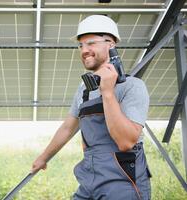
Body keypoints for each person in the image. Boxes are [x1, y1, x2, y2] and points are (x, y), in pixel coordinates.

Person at [31, 15, 151, 200]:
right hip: (90, 180)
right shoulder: (84, 90)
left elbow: (126, 142)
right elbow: (68, 128)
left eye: (91, 43)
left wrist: (108, 93)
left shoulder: (132, 86)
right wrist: (43, 158)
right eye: (81, 45)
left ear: (110, 44)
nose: (84, 50)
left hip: (123, 182)